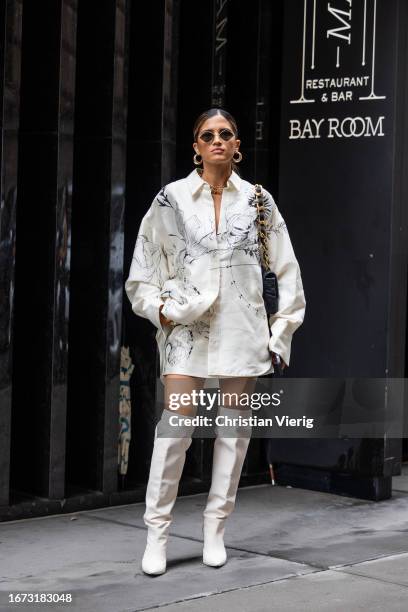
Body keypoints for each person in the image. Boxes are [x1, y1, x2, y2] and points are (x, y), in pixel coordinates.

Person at [125, 107, 306, 575]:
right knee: (176, 426)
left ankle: (215, 528)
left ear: (237, 143)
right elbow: (142, 267)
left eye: (226, 133)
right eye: (209, 134)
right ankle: (157, 532)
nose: (218, 140)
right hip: (186, 328)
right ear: (197, 146)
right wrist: (159, 310)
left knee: (232, 429)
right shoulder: (172, 199)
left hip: (242, 328)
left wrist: (281, 331)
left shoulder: (259, 201)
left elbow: (287, 268)